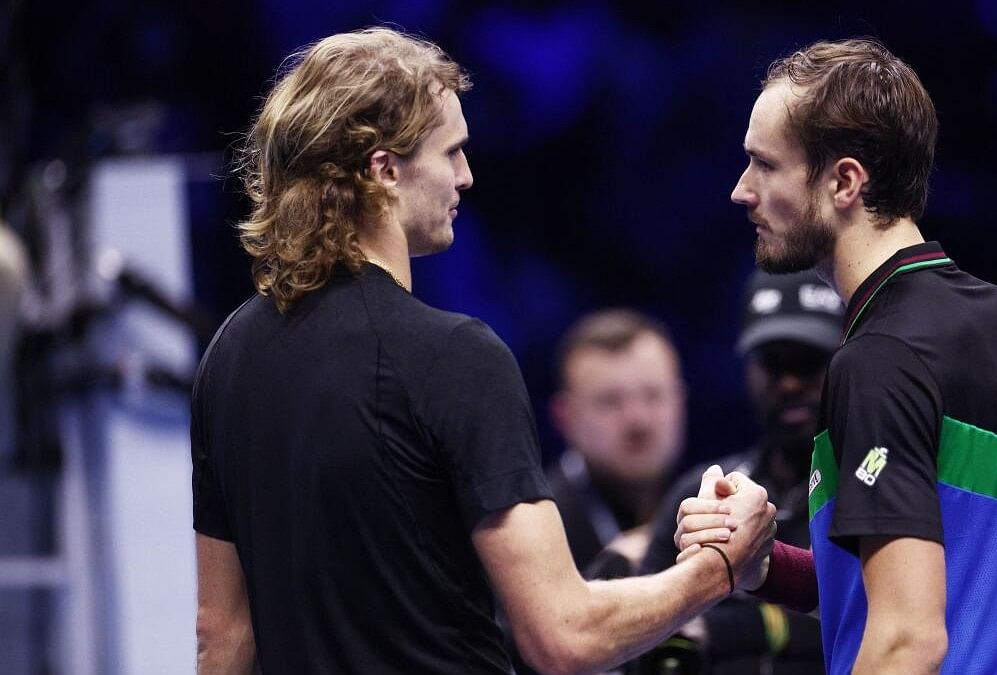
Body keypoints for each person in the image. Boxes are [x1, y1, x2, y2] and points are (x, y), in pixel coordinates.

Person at [191, 27, 777, 675]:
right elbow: (564, 636)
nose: (466, 177)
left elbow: (222, 636)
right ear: (385, 171)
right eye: (451, 153)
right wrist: (720, 567)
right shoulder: (457, 357)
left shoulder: (229, 354)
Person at [676, 38, 997, 674]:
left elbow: (908, 640)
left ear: (845, 181)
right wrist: (763, 566)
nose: (740, 191)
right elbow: (932, 594)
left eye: (763, 165)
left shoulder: (879, 359)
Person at [639, 269, 841, 674]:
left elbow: (895, 618)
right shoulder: (707, 493)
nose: (788, 384)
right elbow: (646, 638)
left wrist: (732, 628)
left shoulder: (879, 483)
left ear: (847, 360)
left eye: (807, 364)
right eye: (773, 364)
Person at [546, 309, 685, 575]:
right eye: (610, 401)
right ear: (565, 418)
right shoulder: (535, 529)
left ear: (679, 401)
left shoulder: (707, 501)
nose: (638, 420)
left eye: (653, 395)